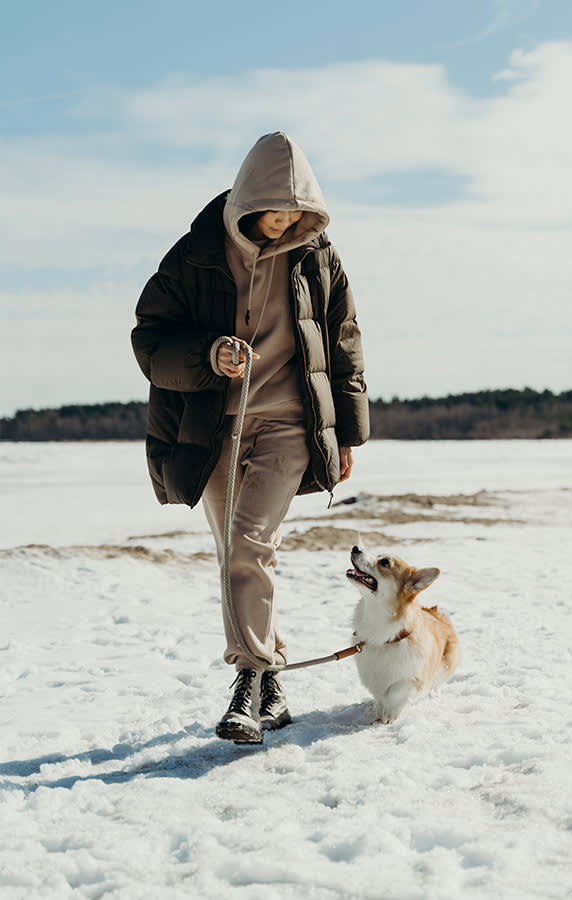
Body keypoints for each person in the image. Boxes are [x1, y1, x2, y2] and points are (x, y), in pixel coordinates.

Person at [131, 131, 369, 744]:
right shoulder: (194, 257)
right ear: (246, 203)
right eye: (273, 214)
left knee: (250, 543)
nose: (284, 226)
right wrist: (210, 355)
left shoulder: (318, 258)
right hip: (212, 429)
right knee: (236, 555)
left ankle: (251, 679)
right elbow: (150, 341)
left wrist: (347, 434)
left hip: (289, 424)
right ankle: (271, 687)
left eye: (296, 216)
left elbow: (343, 342)